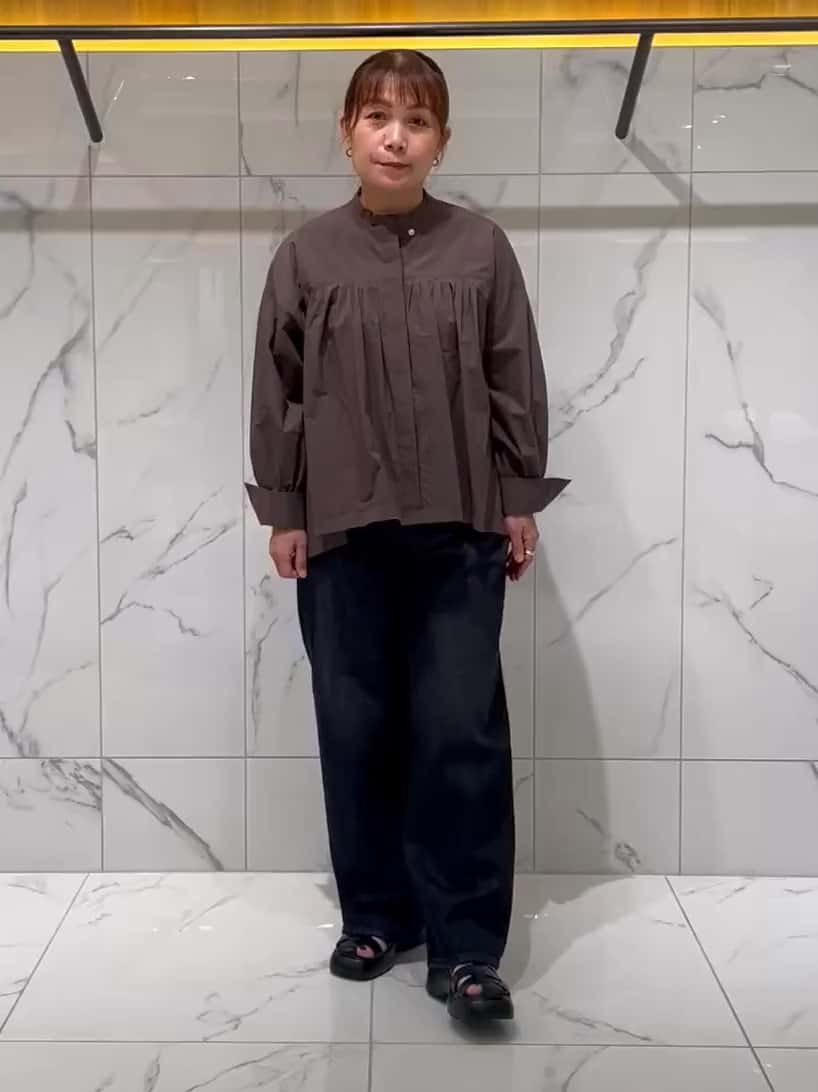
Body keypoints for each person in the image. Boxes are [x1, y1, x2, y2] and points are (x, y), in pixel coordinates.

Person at [245, 48, 569, 1024]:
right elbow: (277, 392)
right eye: (378, 117)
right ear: (346, 132)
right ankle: (377, 915)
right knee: (355, 723)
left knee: (458, 730)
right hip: (340, 534)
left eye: (416, 120)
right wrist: (285, 509)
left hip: (460, 530)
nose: (396, 136)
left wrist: (517, 496)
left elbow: (513, 374)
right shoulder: (306, 256)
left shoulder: (480, 251)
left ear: (442, 140)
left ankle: (466, 946)